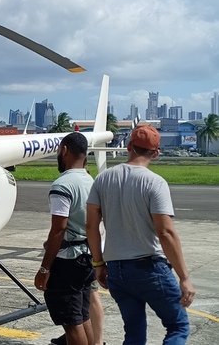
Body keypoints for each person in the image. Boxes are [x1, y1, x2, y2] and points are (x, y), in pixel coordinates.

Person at [87, 123, 195, 344]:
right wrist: (184, 277)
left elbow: (91, 226)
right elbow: (165, 232)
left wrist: (98, 264)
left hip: (117, 269)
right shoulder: (155, 182)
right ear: (155, 153)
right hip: (149, 267)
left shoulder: (103, 179)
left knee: (134, 333)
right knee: (178, 326)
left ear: (129, 146)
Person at [33, 132, 96, 345]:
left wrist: (44, 269)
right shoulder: (90, 180)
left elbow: (58, 229)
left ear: (65, 150)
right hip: (88, 257)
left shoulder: (63, 185)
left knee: (71, 322)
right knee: (82, 315)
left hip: (68, 261)